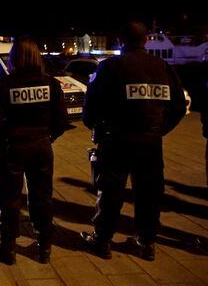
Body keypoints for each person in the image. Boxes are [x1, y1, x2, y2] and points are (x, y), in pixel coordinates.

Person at [80, 21, 187, 261]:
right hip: (150, 143)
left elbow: (91, 105)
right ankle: (147, 243)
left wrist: (96, 126)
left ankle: (103, 240)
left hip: (117, 141)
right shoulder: (163, 67)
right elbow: (179, 107)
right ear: (146, 40)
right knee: (149, 193)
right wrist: (158, 129)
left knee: (110, 192)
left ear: (120, 41)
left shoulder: (112, 66)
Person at [0, 37, 69, 265]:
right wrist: (48, 136)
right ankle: (44, 247)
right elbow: (62, 119)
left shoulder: (6, 83)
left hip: (13, 147)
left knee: (9, 197)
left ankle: (9, 248)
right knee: (42, 196)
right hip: (41, 146)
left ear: (15, 58)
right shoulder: (51, 83)